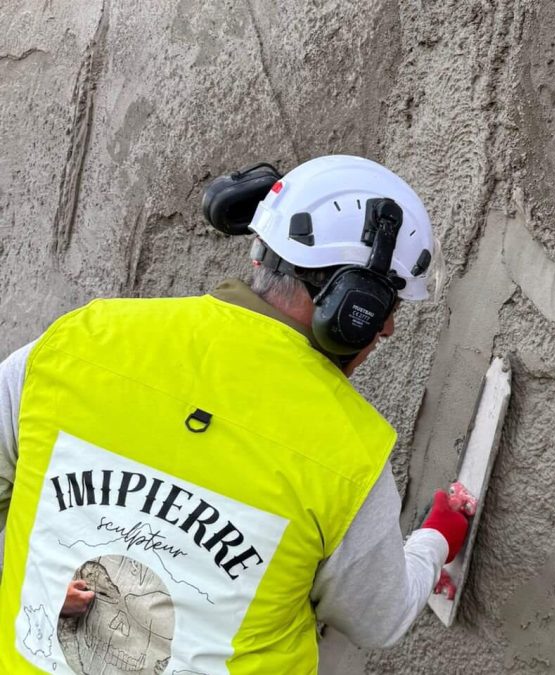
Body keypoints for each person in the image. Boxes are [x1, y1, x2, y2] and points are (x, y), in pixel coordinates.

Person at [0, 155, 469, 673]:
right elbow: (380, 618)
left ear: (259, 257)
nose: (387, 332)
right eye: (386, 312)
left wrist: (40, 573)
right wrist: (436, 539)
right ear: (354, 310)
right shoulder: (347, 453)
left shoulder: (71, 345)